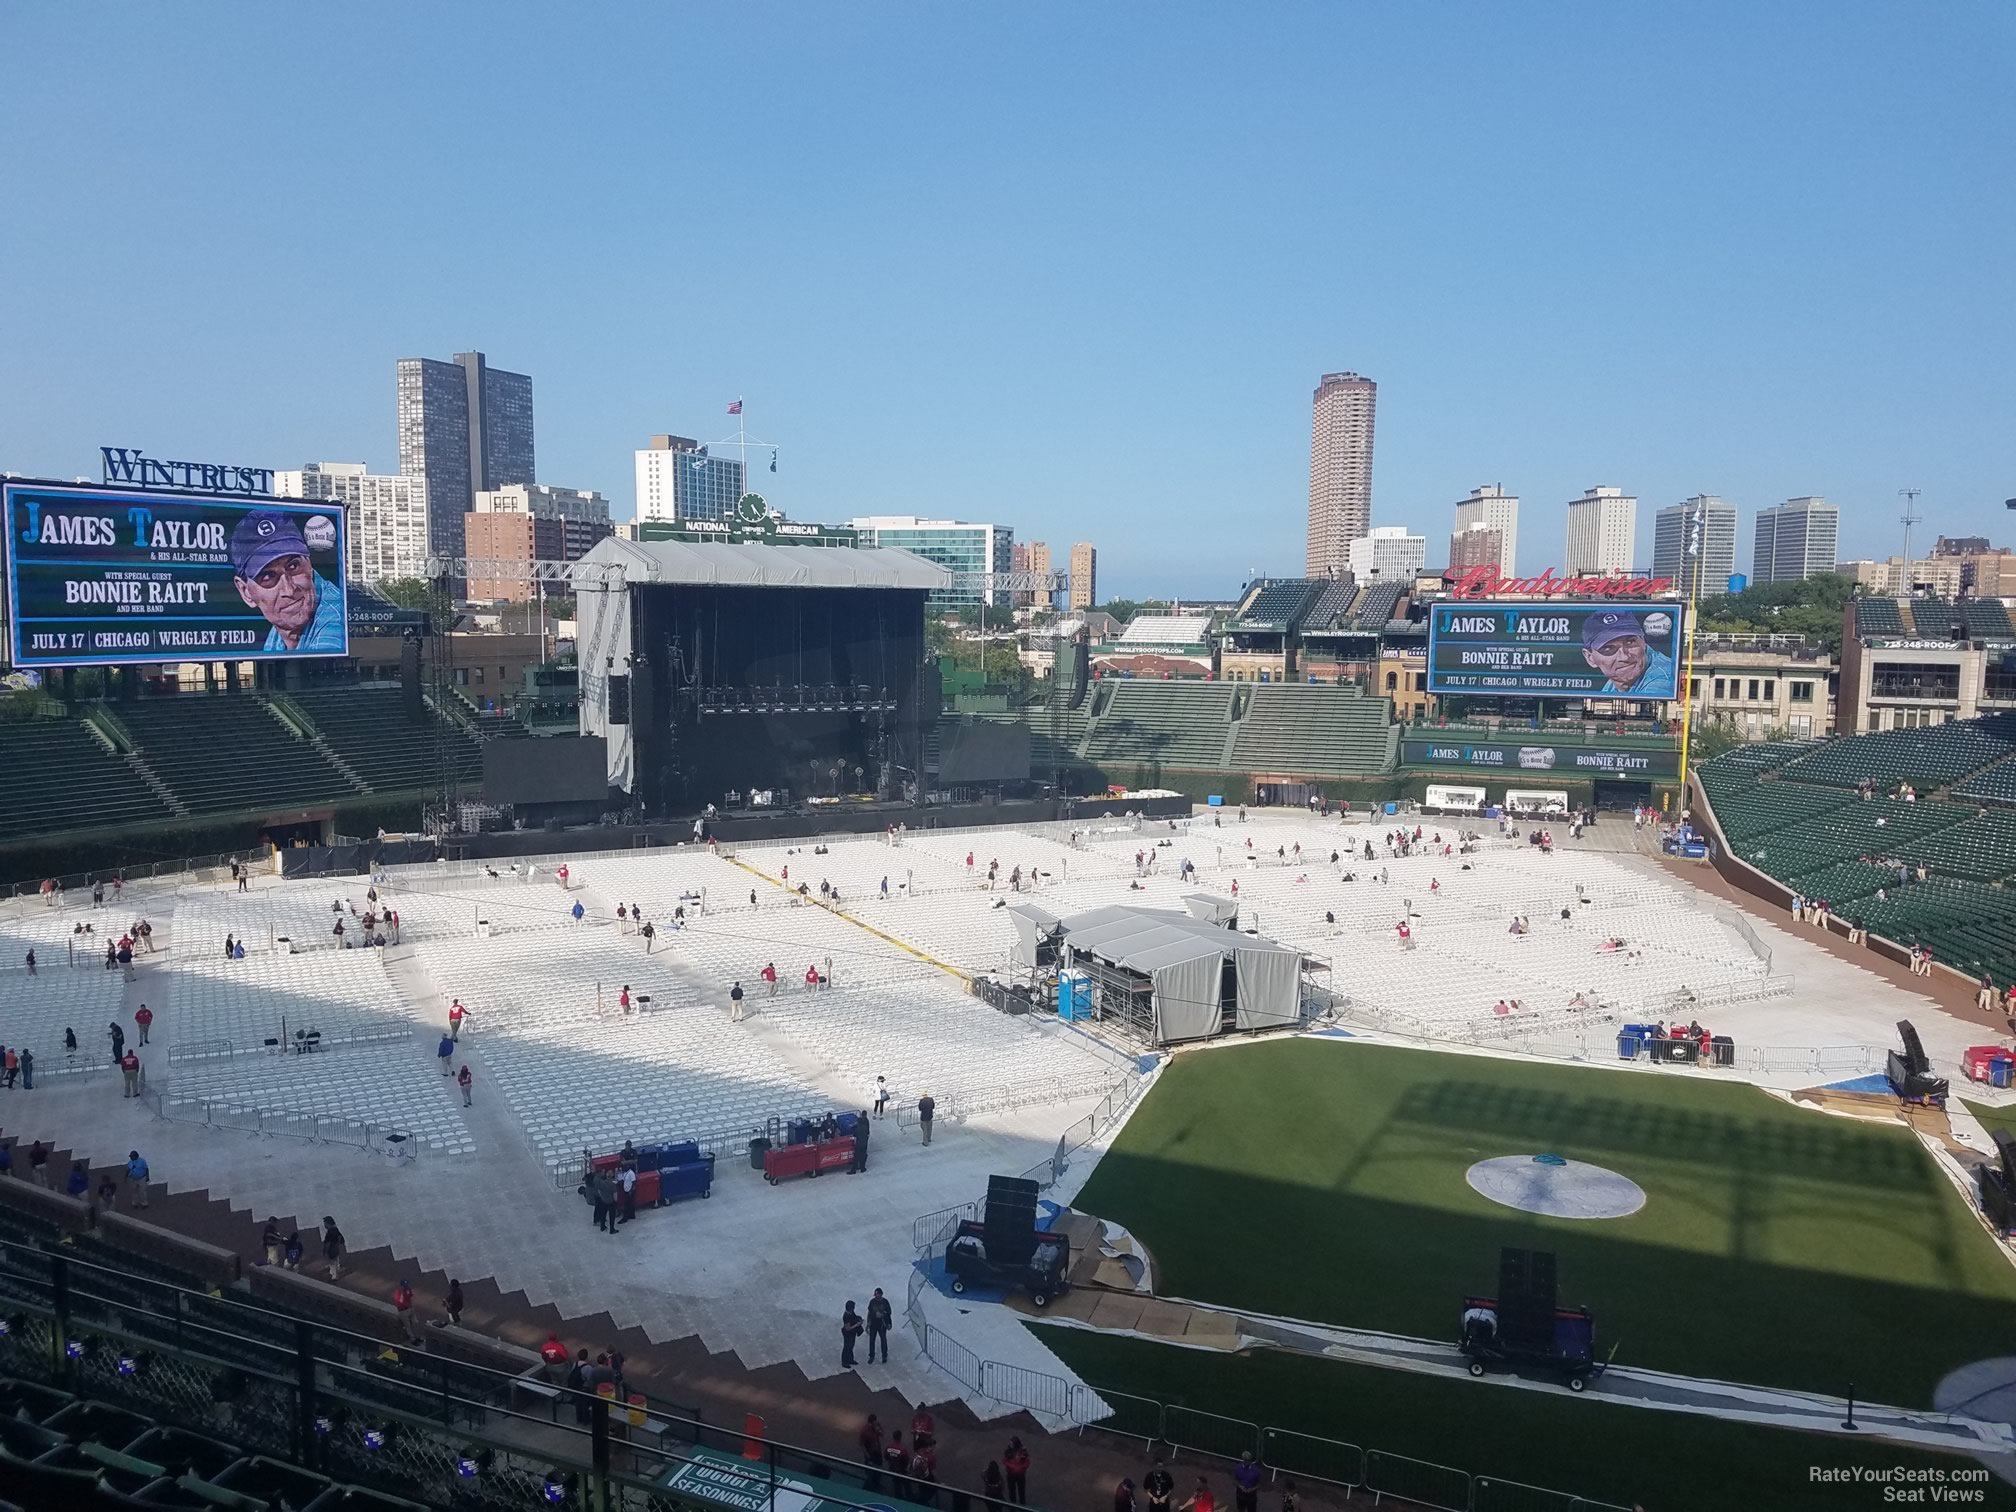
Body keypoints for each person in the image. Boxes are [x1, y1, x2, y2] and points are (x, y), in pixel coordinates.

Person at [865, 1287, 892, 1363]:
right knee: (872, 1340)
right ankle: (871, 1356)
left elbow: (889, 1312)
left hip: (882, 1324)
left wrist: (883, 1315)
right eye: (876, 1295)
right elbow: (869, 1313)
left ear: (881, 1294)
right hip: (873, 1323)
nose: (876, 1296)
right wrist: (868, 1323)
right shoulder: (872, 1302)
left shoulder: (885, 1302)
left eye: (878, 1295)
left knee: (883, 1340)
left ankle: (884, 1355)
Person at [860, 1414, 886, 1491]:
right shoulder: (865, 1431)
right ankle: (870, 1487)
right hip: (870, 1454)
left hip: (877, 1451)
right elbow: (862, 1445)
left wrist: (879, 1426)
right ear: (872, 1421)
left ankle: (876, 1484)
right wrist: (867, 1456)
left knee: (878, 1468)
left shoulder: (875, 1429)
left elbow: (882, 1434)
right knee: (871, 1471)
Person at [1002, 1437, 1029, 1506]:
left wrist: (1020, 1468)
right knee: (1012, 1491)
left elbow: (1027, 1462)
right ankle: (1013, 1506)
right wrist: (1013, 1467)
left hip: (1020, 1475)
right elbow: (1004, 1461)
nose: (1010, 1444)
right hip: (1011, 1474)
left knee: (1021, 1492)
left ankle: (1022, 1506)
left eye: (1011, 1443)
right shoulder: (1008, 1451)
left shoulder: (1023, 1451)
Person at [393, 1278, 421, 1343]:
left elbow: (410, 1296)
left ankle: (417, 1337)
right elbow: (399, 1302)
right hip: (403, 1311)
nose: (405, 1287)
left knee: (415, 1323)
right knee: (408, 1326)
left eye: (406, 1285)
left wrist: (411, 1306)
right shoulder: (398, 1292)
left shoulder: (408, 1289)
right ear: (401, 1285)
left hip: (410, 1309)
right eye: (404, 1286)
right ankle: (413, 1339)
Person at [841, 1300, 863, 1367]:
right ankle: (844, 1361)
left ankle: (850, 1359)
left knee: (851, 1346)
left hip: (852, 1333)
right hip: (848, 1333)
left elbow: (854, 1318)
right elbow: (848, 1328)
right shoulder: (846, 1316)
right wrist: (857, 1324)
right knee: (847, 1347)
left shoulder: (851, 1313)